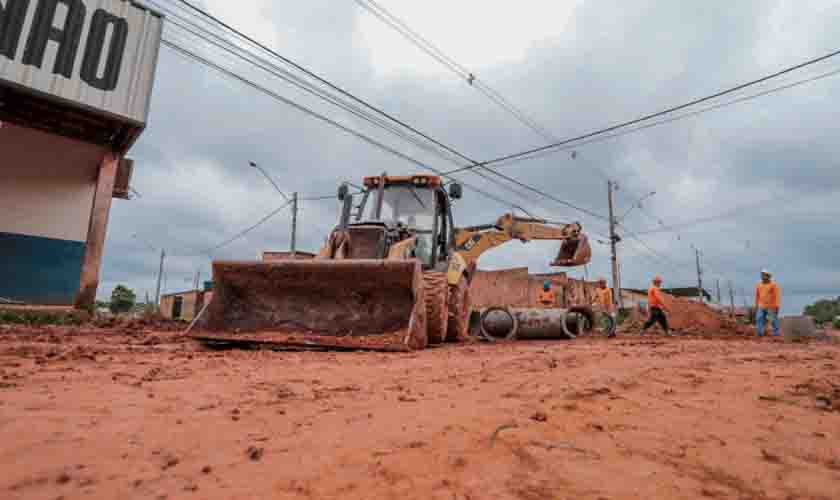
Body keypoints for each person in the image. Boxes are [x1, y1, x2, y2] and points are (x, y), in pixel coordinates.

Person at [754, 269, 781, 337]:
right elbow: (757, 296)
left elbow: (776, 296)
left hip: (771, 306)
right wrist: (756, 305)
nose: (762, 277)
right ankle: (759, 333)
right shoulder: (758, 285)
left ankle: (776, 333)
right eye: (762, 275)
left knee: (773, 319)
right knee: (759, 318)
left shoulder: (773, 285)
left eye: (764, 275)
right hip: (761, 305)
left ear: (768, 276)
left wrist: (777, 306)